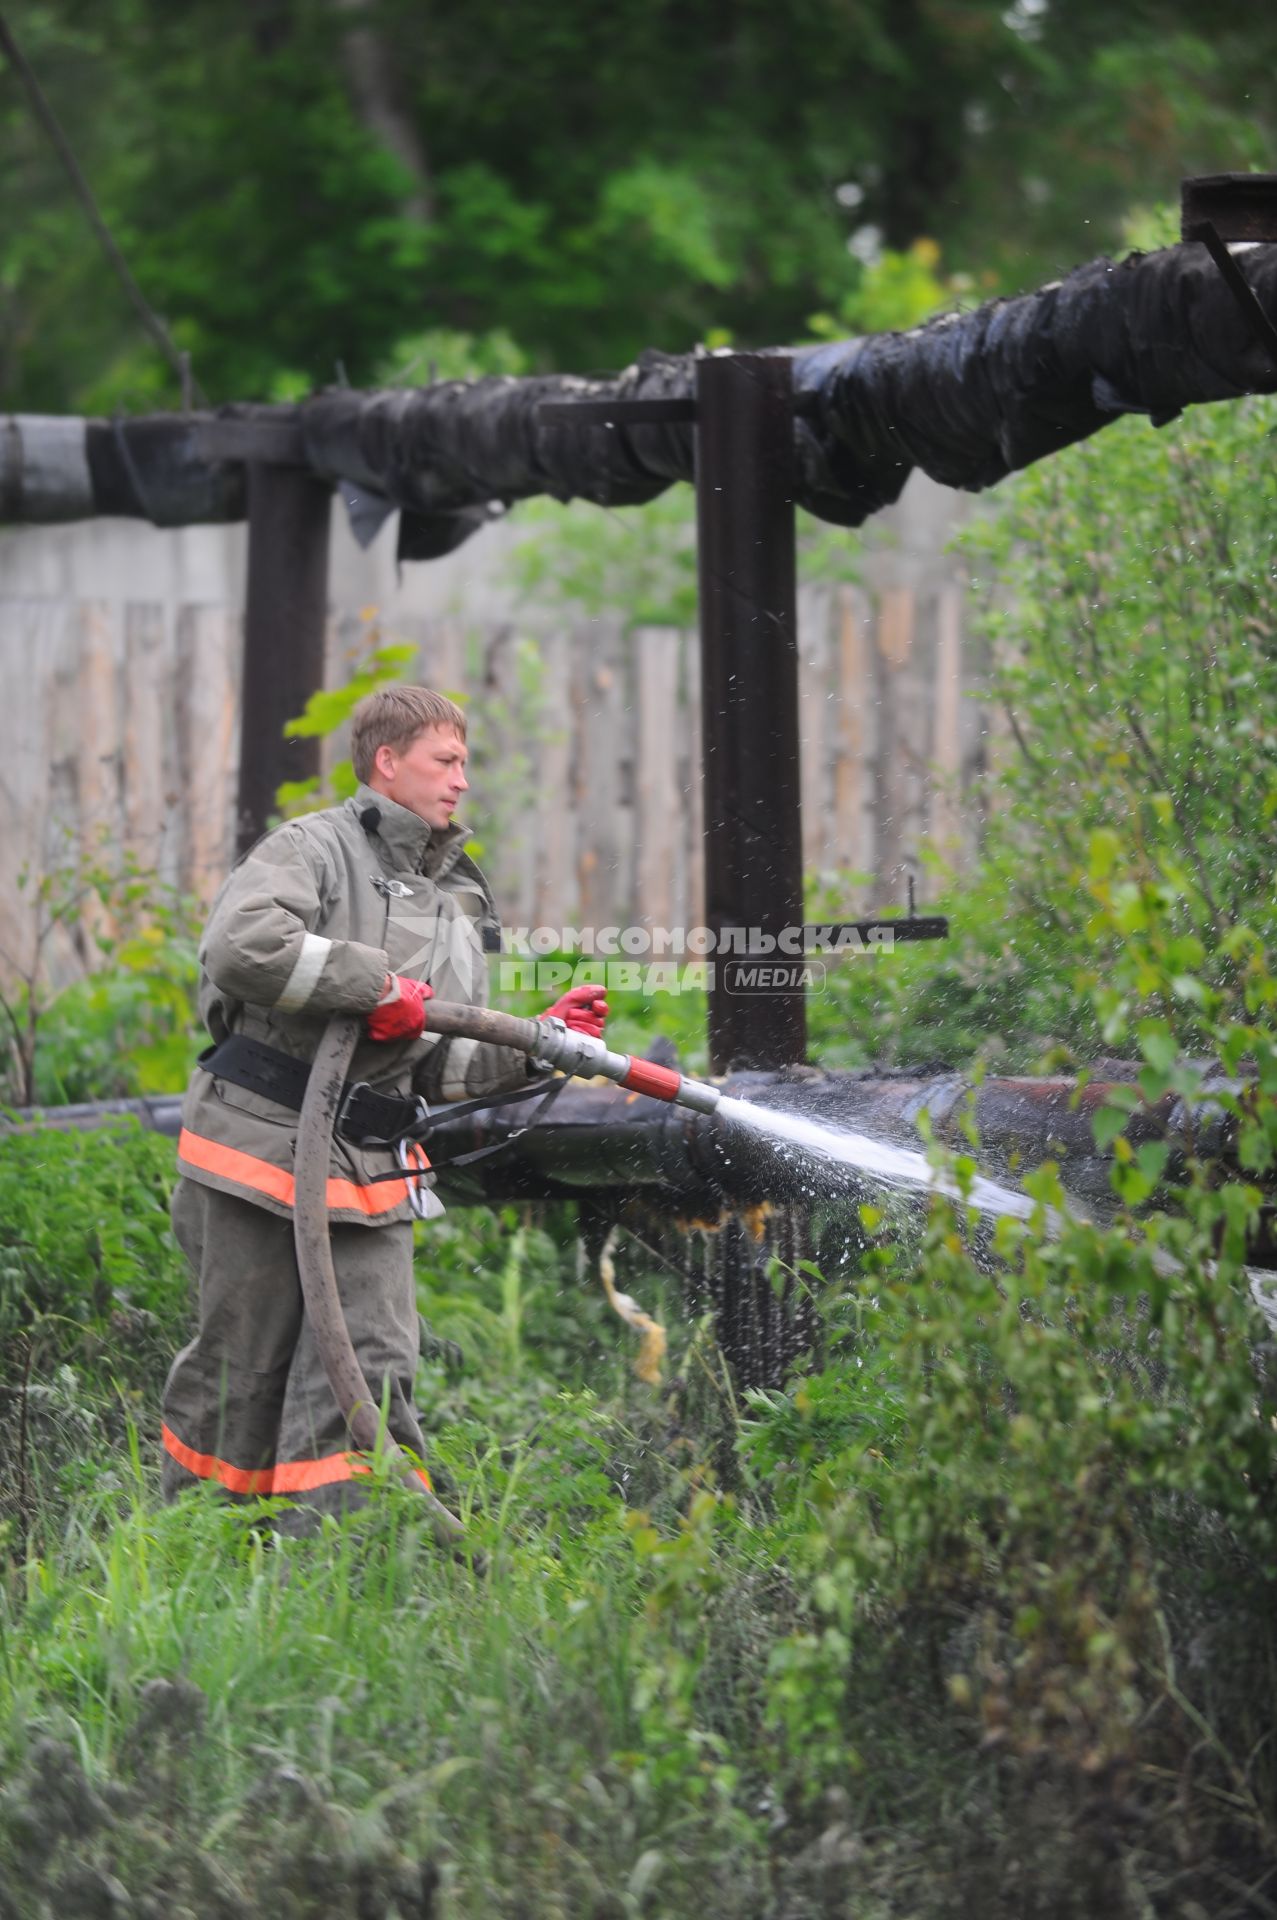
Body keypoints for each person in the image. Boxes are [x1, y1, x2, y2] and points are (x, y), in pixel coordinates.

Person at [160, 684, 605, 1513]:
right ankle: (196, 1546)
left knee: (369, 1366)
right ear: (387, 762)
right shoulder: (312, 849)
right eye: (446, 760)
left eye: (465, 762)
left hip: (370, 1168)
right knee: (242, 1369)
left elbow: (436, 1063)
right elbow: (242, 945)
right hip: (259, 1148)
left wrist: (535, 1043)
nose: (462, 780)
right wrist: (370, 984)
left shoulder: (455, 898)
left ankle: (335, 1567)